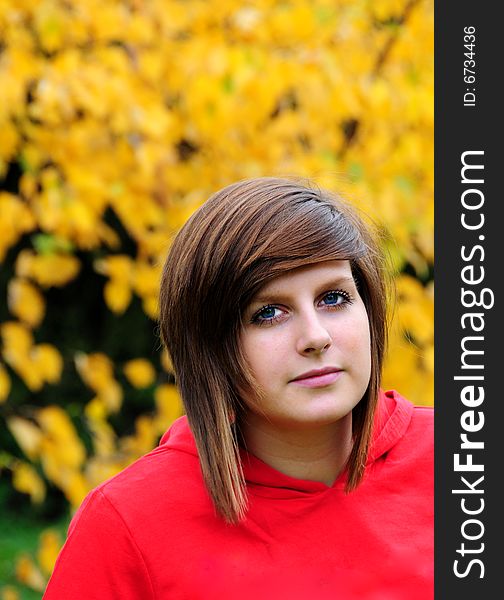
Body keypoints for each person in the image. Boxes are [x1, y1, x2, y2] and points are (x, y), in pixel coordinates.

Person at [43, 177, 433, 599]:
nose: (315, 336)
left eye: (333, 298)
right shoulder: (129, 523)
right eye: (268, 313)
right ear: (210, 348)